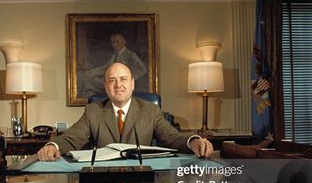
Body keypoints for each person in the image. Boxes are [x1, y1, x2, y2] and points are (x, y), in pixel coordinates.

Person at [38, 62, 213, 161]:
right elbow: (72, 138)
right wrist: (52, 146)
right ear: (106, 87)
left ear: (132, 83)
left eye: (123, 79)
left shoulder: (150, 110)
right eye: (112, 80)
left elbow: (172, 137)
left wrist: (194, 141)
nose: (118, 85)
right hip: (103, 180)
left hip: (141, 177)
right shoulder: (93, 111)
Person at [81, 33, 147, 98]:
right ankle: (89, 101)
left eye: (117, 42)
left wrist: (128, 79)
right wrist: (92, 72)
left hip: (120, 86)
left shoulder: (130, 55)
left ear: (124, 42)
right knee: (89, 82)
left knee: (88, 82)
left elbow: (142, 69)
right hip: (111, 83)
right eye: (113, 42)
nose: (115, 44)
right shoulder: (115, 55)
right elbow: (106, 68)